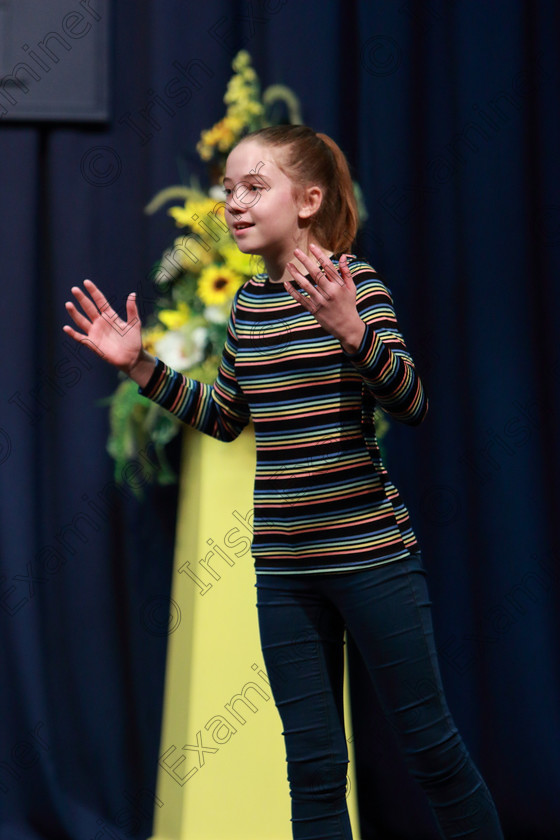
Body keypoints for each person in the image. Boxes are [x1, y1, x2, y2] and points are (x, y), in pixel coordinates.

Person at [63, 125, 504, 840]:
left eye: (254, 187)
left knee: (432, 753)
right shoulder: (247, 304)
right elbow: (229, 415)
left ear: (309, 200)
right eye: (228, 189)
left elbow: (414, 404)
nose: (234, 202)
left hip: (371, 561)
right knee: (314, 770)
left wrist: (353, 332)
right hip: (285, 574)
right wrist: (142, 369)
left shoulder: (354, 286)